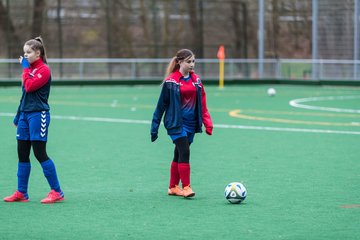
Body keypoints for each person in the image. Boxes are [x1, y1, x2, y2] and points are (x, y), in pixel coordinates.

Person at [3, 37, 64, 204]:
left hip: (39, 115)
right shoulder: (29, 70)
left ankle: (57, 191)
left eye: (29, 52)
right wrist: (18, 115)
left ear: (38, 53)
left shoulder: (44, 70)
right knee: (22, 153)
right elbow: (25, 94)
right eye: (24, 52)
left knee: (39, 153)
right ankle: (22, 192)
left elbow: (29, 86)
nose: (25, 55)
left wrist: (24, 69)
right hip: (25, 114)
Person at [150, 49, 213, 198]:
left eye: (193, 61)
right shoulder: (170, 82)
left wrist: (207, 123)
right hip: (175, 123)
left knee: (178, 153)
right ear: (179, 62)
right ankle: (186, 187)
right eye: (188, 61)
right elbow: (161, 106)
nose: (192, 64)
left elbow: (203, 103)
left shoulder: (196, 80)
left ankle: (172, 187)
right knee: (185, 151)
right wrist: (154, 127)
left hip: (191, 123)